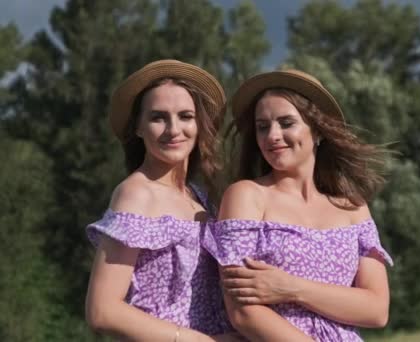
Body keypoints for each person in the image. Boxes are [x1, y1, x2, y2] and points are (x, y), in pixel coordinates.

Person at [203, 69, 393, 341]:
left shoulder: (354, 208)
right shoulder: (247, 196)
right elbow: (244, 312)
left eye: (286, 122)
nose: (273, 135)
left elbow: (376, 310)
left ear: (317, 130)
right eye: (263, 126)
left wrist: (291, 288)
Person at [85, 60, 237, 341]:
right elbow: (102, 310)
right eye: (158, 117)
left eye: (185, 116)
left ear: (199, 124)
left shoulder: (200, 197)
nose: (173, 129)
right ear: (138, 128)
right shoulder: (137, 194)